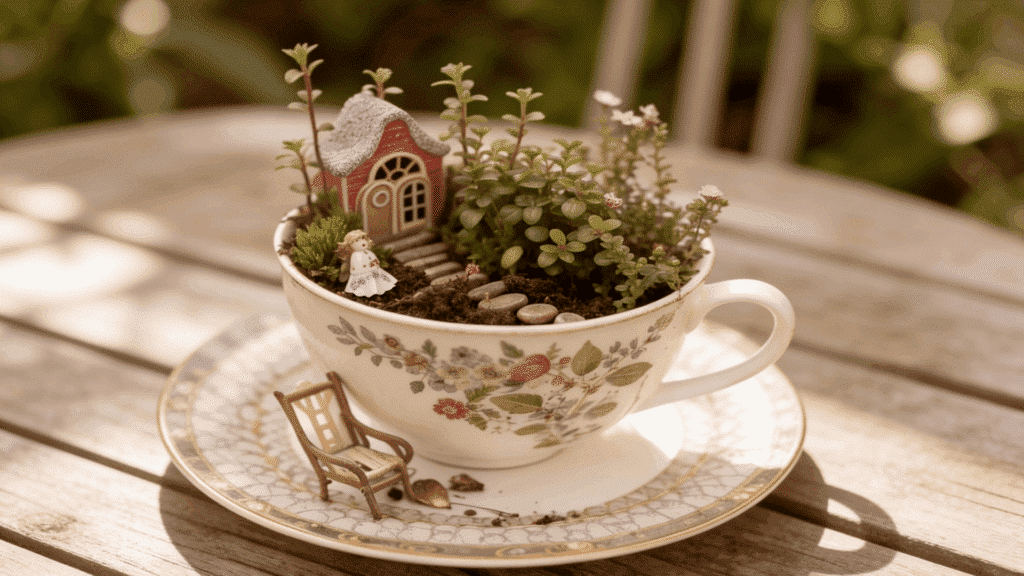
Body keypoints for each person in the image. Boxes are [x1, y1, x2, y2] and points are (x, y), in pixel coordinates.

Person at [338, 230, 397, 297]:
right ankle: (365, 293)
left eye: (362, 239)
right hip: (362, 273)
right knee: (365, 284)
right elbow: (358, 265)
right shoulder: (355, 255)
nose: (362, 242)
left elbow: (373, 258)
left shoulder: (368, 252)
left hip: (373, 270)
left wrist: (375, 262)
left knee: (377, 281)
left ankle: (378, 290)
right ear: (350, 245)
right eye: (357, 241)